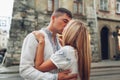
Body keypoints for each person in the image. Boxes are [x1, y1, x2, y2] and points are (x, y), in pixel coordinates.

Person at [19, 8, 77, 80]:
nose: (67, 26)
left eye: (69, 24)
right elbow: (25, 70)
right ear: (53, 18)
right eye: (65, 21)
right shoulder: (34, 37)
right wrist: (55, 77)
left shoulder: (60, 42)